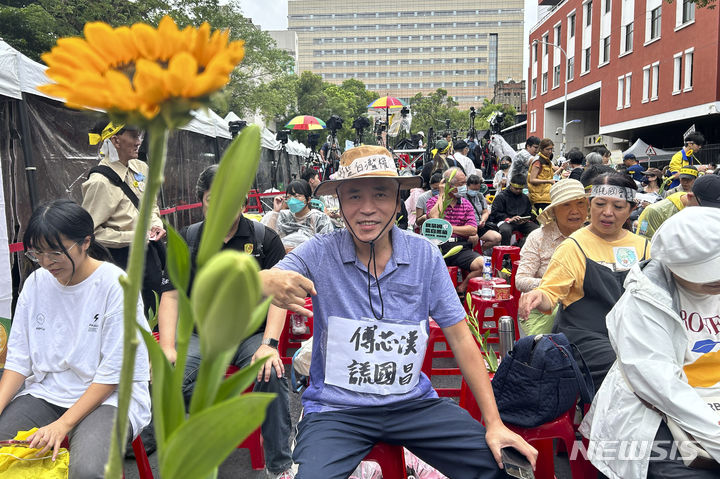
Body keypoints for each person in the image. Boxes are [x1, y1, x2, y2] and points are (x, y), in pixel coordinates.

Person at [265, 144, 537, 479]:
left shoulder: (425, 255)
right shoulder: (320, 252)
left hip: (413, 404)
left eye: (380, 195)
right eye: (353, 197)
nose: (367, 209)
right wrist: (262, 281)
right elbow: (266, 276)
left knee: (508, 468)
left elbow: (461, 338)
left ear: (398, 202)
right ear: (339, 204)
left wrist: (494, 423)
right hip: (336, 411)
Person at [157, 165, 294, 479]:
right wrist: (166, 347)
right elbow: (171, 296)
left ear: (244, 202)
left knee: (270, 372)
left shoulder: (264, 240)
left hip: (249, 335)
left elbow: (279, 297)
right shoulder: (187, 240)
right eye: (211, 199)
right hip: (200, 335)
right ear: (202, 202)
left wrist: (269, 345)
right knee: (168, 377)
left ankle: (280, 465)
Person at [0, 200, 151, 478]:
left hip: (110, 397)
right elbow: (19, 361)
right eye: (37, 253)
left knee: (88, 471)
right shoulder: (35, 284)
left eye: (55, 253)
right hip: (47, 393)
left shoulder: (115, 285)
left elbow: (113, 374)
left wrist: (63, 424)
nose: (45, 263)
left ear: (85, 242)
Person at [580, 207, 720, 479]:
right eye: (711, 278)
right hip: (659, 412)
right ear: (679, 268)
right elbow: (662, 389)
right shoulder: (643, 303)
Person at [519, 173, 649, 390]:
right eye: (600, 204)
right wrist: (536, 296)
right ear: (591, 205)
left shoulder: (644, 246)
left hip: (634, 335)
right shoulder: (573, 246)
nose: (607, 213)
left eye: (618, 206)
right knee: (626, 370)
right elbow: (550, 293)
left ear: (631, 209)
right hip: (587, 338)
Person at [81, 122, 166, 315]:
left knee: (155, 309)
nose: (139, 142)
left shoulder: (141, 167)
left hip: (148, 253)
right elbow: (90, 233)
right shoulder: (99, 182)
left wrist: (155, 224)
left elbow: (150, 204)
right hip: (120, 260)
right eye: (135, 136)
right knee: (131, 317)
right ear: (115, 140)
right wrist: (133, 237)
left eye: (140, 136)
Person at [515, 180, 588, 335]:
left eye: (580, 203)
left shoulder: (594, 236)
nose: (575, 211)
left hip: (586, 307)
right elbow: (521, 280)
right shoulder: (538, 237)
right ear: (553, 211)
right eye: (566, 205)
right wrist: (560, 285)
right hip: (543, 309)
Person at [427, 168, 487, 292]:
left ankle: (461, 288)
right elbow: (434, 219)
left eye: (465, 183)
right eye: (461, 184)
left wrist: (447, 228)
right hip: (438, 247)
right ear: (449, 185)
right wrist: (442, 195)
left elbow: (472, 229)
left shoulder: (466, 204)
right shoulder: (433, 201)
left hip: (460, 247)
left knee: (483, 265)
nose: (464, 187)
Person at [637, 174, 720, 239]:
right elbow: (644, 244)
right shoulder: (654, 212)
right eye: (706, 207)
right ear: (690, 196)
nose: (710, 212)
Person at [262, 179, 334, 252]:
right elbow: (269, 238)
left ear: (308, 199)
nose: (292, 200)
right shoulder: (284, 216)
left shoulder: (319, 218)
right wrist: (276, 211)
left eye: (296, 196)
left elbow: (327, 245)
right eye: (289, 197)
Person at [488, 174, 539, 246]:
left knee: (537, 230)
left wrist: (525, 219)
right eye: (516, 188)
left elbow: (528, 212)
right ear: (511, 185)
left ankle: (520, 246)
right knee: (506, 230)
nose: (518, 191)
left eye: (520, 189)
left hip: (521, 222)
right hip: (505, 221)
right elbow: (495, 213)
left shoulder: (525, 198)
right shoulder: (501, 197)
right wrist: (509, 219)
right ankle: (505, 253)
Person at [464, 174, 501, 253]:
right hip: (467, 227)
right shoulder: (461, 196)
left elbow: (485, 211)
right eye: (473, 189)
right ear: (467, 186)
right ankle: (469, 253)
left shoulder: (480, 196)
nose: (474, 192)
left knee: (497, 237)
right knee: (474, 238)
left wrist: (483, 220)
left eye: (477, 189)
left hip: (479, 226)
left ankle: (479, 251)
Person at [527, 138, 559, 211]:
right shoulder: (538, 161)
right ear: (541, 149)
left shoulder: (546, 161)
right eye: (547, 149)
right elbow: (532, 179)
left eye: (551, 149)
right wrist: (549, 181)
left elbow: (548, 176)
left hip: (546, 196)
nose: (550, 151)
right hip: (539, 198)